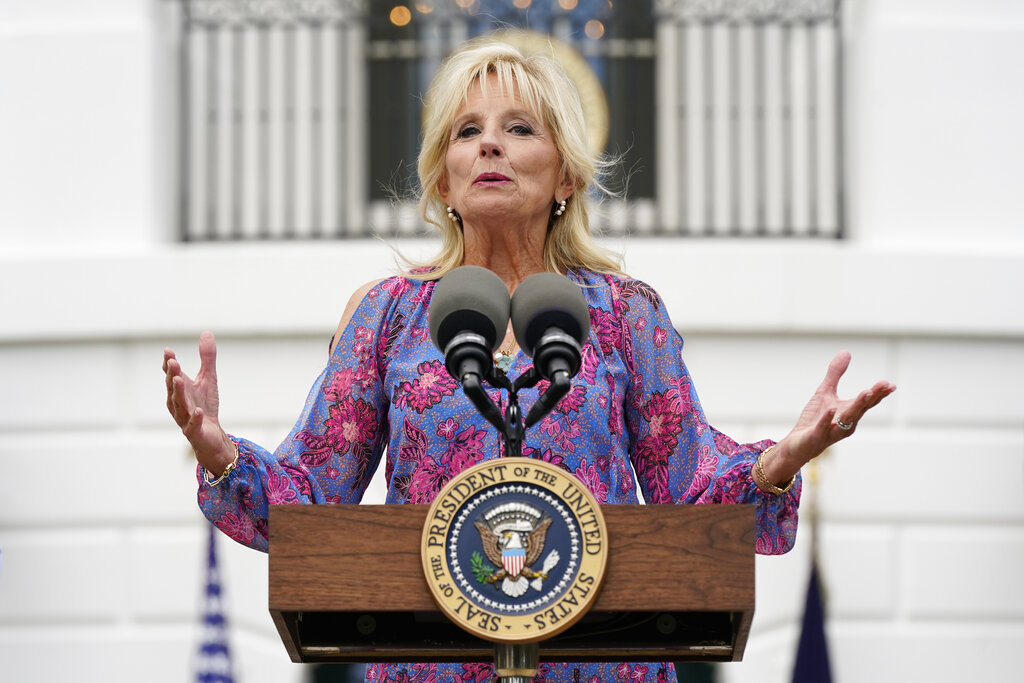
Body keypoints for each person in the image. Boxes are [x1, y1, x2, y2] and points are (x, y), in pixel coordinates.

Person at [163, 37, 894, 683]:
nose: (489, 145)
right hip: (430, 664)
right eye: (466, 131)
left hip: (604, 662)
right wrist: (222, 452)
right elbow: (309, 501)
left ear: (566, 176)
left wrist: (781, 459)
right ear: (443, 181)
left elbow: (694, 488)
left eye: (519, 129)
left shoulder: (623, 311)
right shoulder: (386, 311)